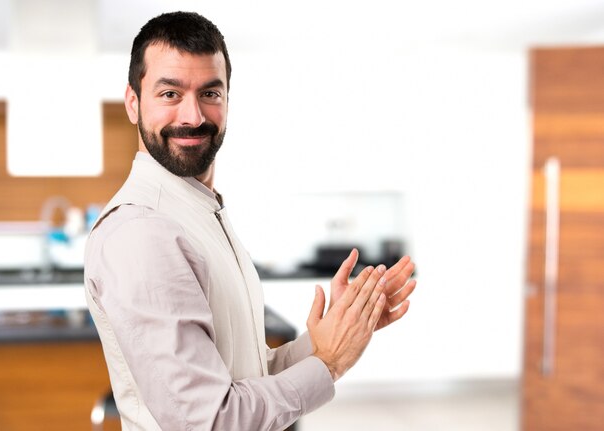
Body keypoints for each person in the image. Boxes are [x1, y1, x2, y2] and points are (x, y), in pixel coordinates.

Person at [84, 11, 416, 431]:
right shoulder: (141, 231)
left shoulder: (198, 212)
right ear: (133, 103)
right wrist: (328, 363)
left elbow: (243, 379)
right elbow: (211, 421)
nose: (193, 116)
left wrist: (329, 338)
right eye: (170, 94)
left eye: (210, 93)